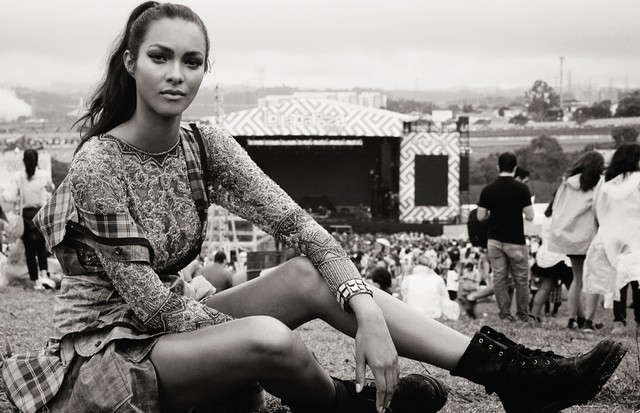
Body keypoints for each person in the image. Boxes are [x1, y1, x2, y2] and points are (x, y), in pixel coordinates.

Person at [1, 3, 627, 413]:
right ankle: (342, 404)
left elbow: (298, 225)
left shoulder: (205, 145)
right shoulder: (98, 164)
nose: (175, 74)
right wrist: (250, 337)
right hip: (106, 353)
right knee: (269, 338)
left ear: (203, 72)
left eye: (191, 62)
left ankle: (515, 375)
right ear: (131, 63)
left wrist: (364, 309)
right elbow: (155, 308)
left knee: (306, 273)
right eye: (159, 57)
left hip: (170, 330)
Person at [584, 143, 640, 335]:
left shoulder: (607, 181)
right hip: (635, 235)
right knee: (636, 279)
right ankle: (639, 321)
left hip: (612, 236)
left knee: (618, 280)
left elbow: (595, 208)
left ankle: (619, 322)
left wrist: (604, 228)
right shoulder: (638, 179)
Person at [547, 151, 604, 332]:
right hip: (589, 236)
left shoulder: (567, 184)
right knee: (593, 279)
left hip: (570, 237)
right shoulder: (597, 184)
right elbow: (600, 209)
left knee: (576, 279)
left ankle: (571, 319)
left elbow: (556, 207)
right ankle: (588, 321)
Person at [477, 154, 535, 322]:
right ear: (515, 168)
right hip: (515, 239)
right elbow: (530, 216)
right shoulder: (521, 189)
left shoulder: (488, 189)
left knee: (500, 279)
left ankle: (505, 314)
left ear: (498, 167)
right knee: (521, 280)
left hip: (494, 239)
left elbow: (481, 216)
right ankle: (523, 314)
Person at [13, 149, 56, 290]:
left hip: (25, 216)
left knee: (29, 250)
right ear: (36, 160)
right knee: (41, 248)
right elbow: (51, 188)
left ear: (24, 161)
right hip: (40, 214)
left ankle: (36, 280)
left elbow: (14, 196)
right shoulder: (43, 175)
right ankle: (45, 276)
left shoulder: (18, 176)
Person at [399, 250, 459, 320]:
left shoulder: (408, 279)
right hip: (432, 318)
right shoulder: (438, 279)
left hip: (411, 316)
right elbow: (445, 302)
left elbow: (405, 297)